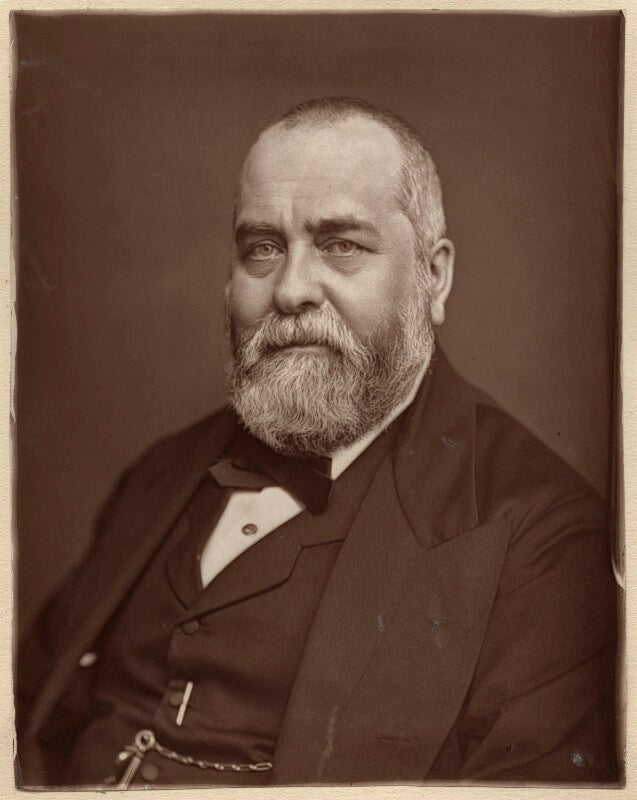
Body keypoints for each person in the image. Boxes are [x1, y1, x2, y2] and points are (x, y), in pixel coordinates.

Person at [16, 97, 618, 787]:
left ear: (434, 276)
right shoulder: (163, 469)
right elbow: (26, 709)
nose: (291, 290)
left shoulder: (543, 541)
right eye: (262, 249)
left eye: (341, 245)